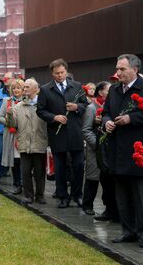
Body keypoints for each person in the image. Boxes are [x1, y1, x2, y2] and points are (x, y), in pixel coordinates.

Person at [103, 54, 143, 248]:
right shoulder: (114, 90)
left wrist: (131, 119)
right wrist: (106, 121)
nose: (118, 72)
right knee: (122, 195)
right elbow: (106, 111)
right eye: (117, 68)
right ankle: (128, 230)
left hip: (140, 151)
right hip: (118, 150)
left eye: (122, 69)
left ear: (135, 69)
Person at [37, 59, 87, 208]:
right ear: (52, 73)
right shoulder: (46, 89)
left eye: (62, 72)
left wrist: (77, 106)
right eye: (56, 73)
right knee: (60, 167)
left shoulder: (77, 86)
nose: (60, 75)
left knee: (78, 165)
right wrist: (54, 117)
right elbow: (40, 110)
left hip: (75, 133)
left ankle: (77, 195)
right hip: (57, 134)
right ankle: (62, 196)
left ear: (66, 71)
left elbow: (85, 104)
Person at [81, 81, 118, 218]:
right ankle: (87, 205)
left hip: (108, 150)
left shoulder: (111, 106)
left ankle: (108, 209)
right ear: (101, 91)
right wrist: (97, 145)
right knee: (92, 178)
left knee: (106, 181)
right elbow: (86, 130)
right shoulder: (91, 108)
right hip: (95, 149)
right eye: (108, 90)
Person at [12, 79, 48, 204]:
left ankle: (40, 195)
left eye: (27, 87)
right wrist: (9, 116)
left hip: (39, 142)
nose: (24, 89)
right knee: (25, 172)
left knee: (39, 172)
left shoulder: (44, 105)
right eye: (24, 87)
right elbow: (13, 125)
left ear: (35, 89)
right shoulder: (18, 106)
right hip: (24, 143)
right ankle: (28, 195)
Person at [0, 79, 24, 193]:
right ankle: (17, 183)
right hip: (11, 134)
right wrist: (9, 123)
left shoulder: (26, 101)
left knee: (24, 161)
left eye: (18, 88)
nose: (16, 90)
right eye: (14, 88)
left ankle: (25, 183)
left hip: (23, 134)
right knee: (15, 160)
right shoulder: (6, 101)